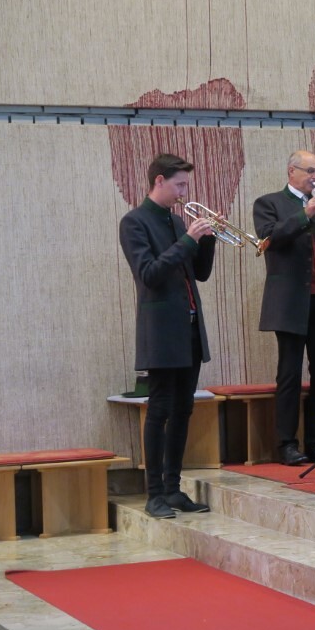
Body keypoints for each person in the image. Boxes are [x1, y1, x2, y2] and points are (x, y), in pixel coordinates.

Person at [119, 153, 215, 519]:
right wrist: (188, 240)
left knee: (183, 409)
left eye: (186, 185)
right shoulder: (134, 222)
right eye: (179, 185)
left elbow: (199, 273)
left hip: (189, 328)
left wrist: (207, 240)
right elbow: (149, 274)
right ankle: (154, 494)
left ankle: (174, 489)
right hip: (160, 331)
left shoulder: (176, 221)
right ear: (158, 180)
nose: (183, 192)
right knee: (159, 409)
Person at [254, 150, 315, 466]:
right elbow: (269, 238)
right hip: (290, 303)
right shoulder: (269, 203)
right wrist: (305, 214)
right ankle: (287, 444)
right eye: (311, 171)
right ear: (291, 171)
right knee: (289, 374)